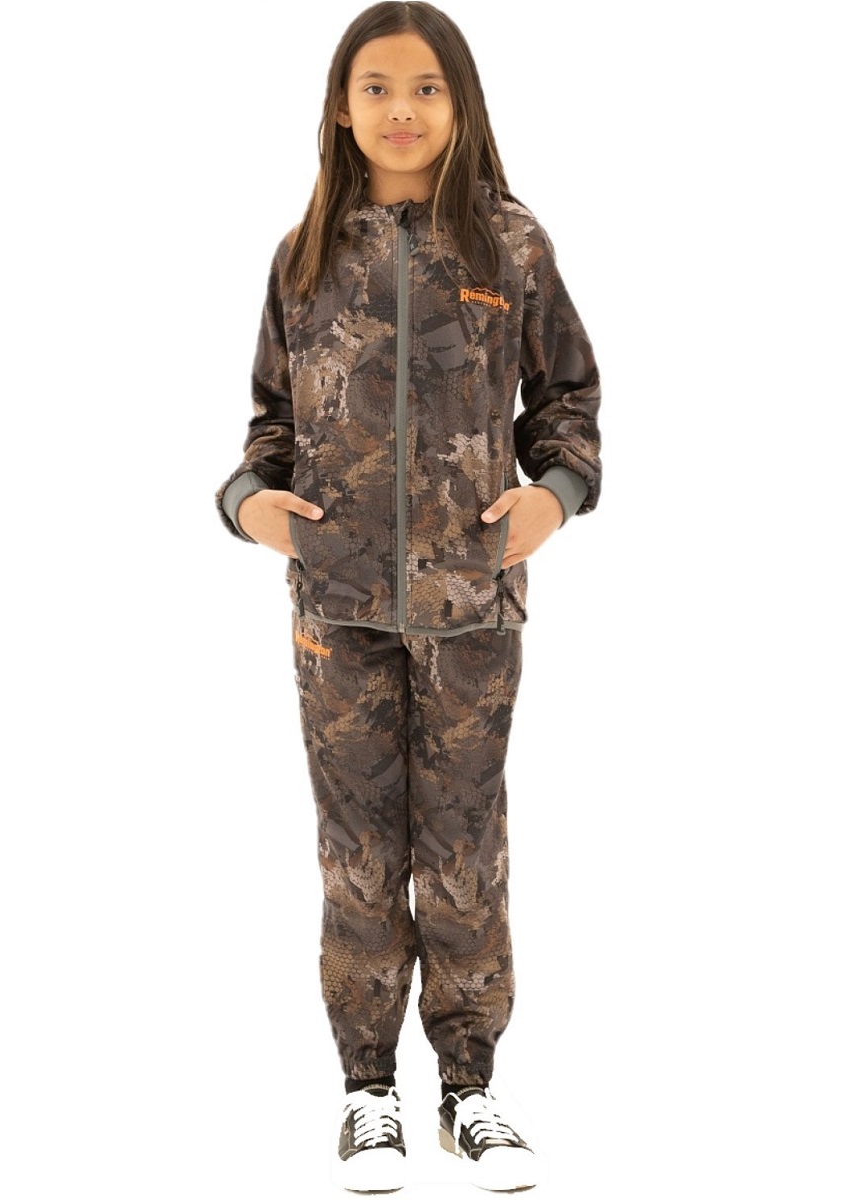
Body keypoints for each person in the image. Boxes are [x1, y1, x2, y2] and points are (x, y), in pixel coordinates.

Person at [215, 2, 601, 1191]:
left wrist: (553, 496)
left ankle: (470, 1090)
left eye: (426, 87)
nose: (401, 109)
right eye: (375, 87)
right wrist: (247, 502)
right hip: (334, 610)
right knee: (358, 852)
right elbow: (269, 423)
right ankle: (367, 1089)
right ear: (341, 108)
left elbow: (568, 399)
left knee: (463, 845)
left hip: (471, 604)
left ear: (460, 104)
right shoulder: (303, 252)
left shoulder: (509, 246)